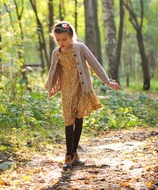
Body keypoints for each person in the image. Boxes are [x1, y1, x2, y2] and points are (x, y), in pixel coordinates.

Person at [45, 21, 120, 170]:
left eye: (64, 39)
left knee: (79, 118)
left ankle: (73, 155)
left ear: (71, 37)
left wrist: (107, 81)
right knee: (68, 119)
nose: (62, 43)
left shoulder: (80, 47)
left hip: (81, 87)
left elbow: (94, 64)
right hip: (67, 89)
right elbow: (53, 71)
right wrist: (49, 86)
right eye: (58, 40)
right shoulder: (56, 52)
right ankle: (68, 155)